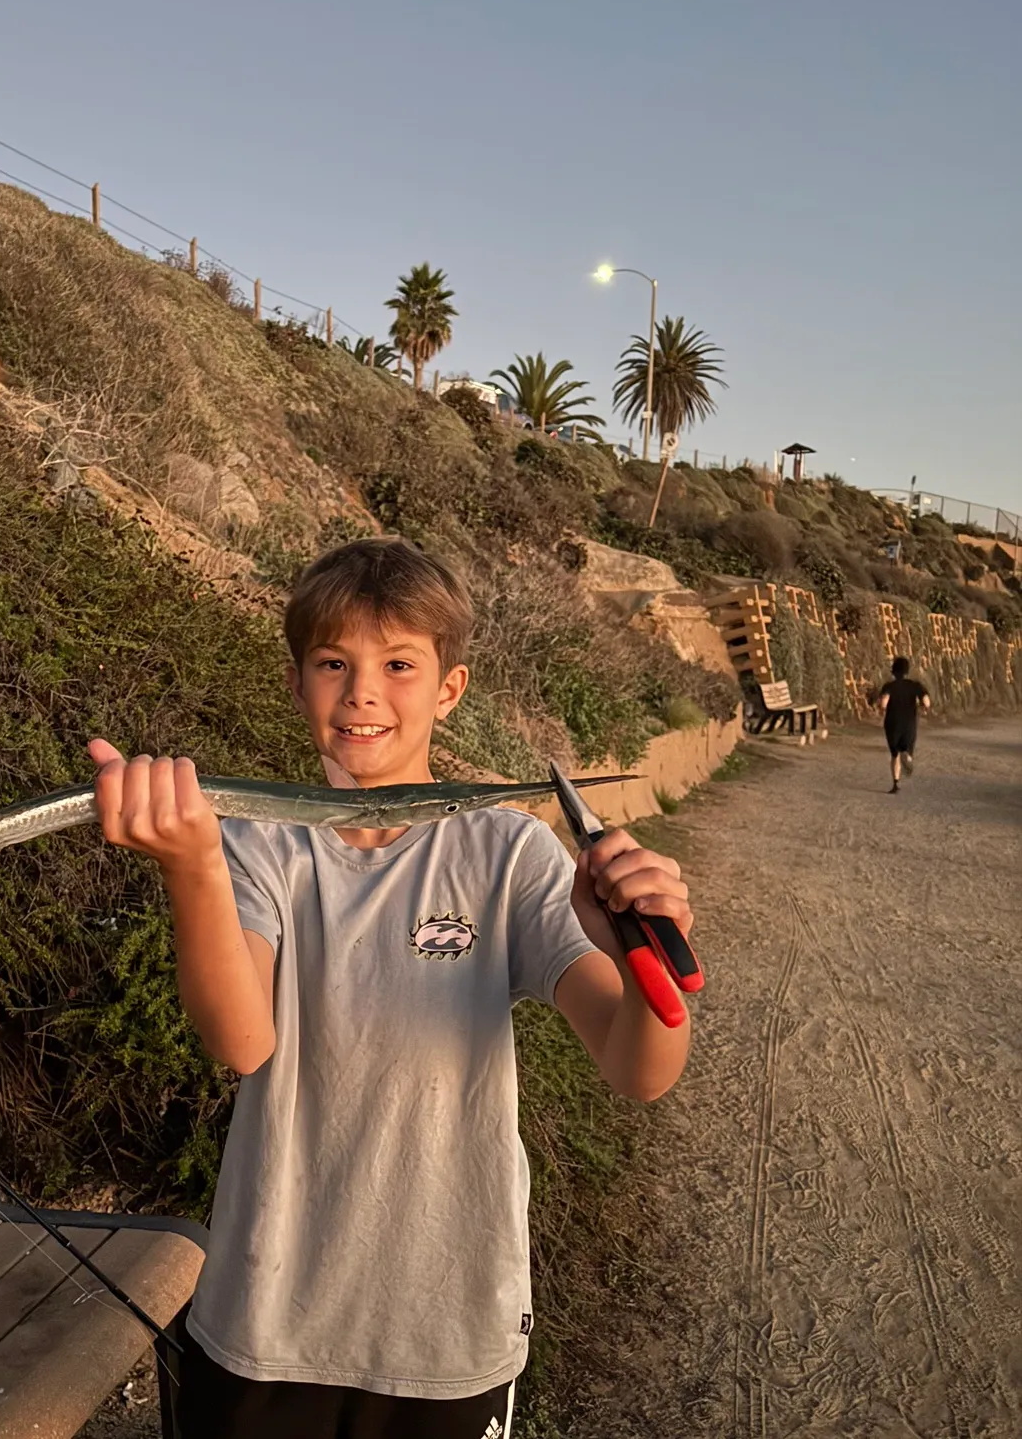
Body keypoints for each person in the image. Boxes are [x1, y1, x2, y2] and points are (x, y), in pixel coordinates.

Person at [88, 538, 694, 1438]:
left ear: (449, 689)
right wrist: (192, 868)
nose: (364, 691)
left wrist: (643, 951)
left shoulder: (509, 853)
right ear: (298, 685)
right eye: (334, 663)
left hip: (447, 1336)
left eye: (400, 664)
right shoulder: (256, 847)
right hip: (265, 1317)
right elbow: (243, 1043)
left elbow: (639, 1068)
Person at [877, 656, 931, 793]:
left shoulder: (889, 686)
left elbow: (884, 702)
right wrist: (923, 708)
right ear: (907, 671)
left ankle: (895, 784)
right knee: (906, 748)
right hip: (909, 723)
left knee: (894, 754)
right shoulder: (915, 685)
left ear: (893, 671)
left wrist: (881, 709)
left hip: (892, 723)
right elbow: (926, 701)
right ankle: (907, 755)